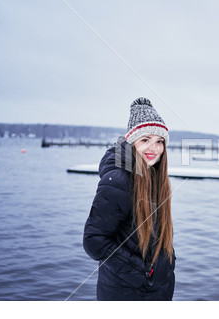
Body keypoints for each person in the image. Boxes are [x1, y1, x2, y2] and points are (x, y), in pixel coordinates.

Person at [83, 97, 175, 301]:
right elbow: (94, 240)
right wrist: (141, 274)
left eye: (159, 141)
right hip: (126, 294)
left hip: (154, 292)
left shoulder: (153, 176)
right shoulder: (118, 181)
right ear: (132, 143)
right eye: (145, 140)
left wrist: (166, 265)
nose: (154, 148)